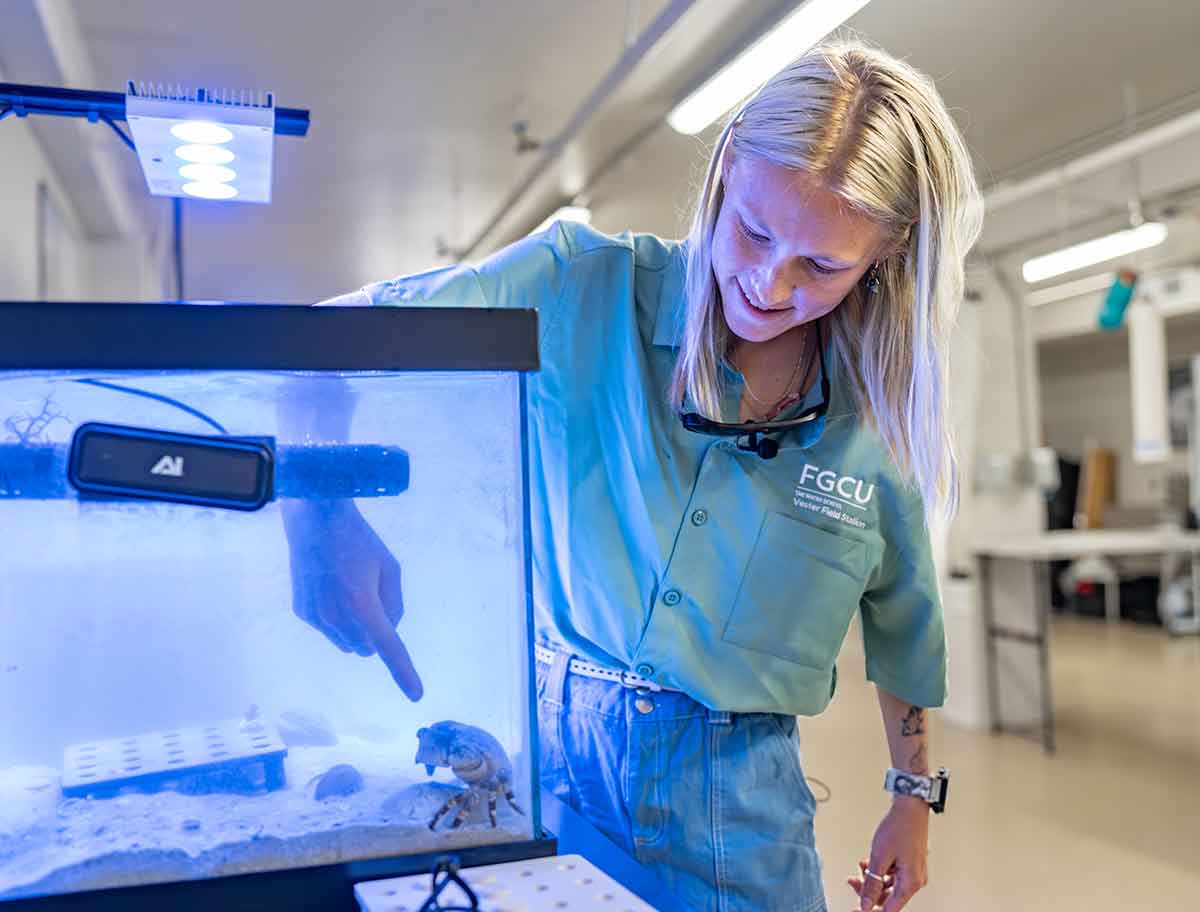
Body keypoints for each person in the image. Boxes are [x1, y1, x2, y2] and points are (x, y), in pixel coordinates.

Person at [283, 38, 983, 912]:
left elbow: (905, 623)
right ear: (725, 171)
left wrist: (911, 799)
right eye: (754, 231)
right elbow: (319, 346)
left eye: (822, 267)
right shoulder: (578, 283)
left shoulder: (876, 414)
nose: (768, 283)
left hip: (739, 811)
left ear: (884, 257)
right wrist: (321, 517)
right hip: (555, 771)